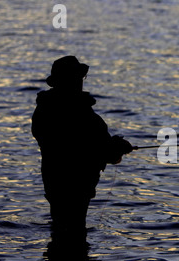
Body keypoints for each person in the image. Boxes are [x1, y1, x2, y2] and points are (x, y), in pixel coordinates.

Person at [32, 56, 134, 233]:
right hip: (75, 185)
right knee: (73, 232)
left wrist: (112, 145)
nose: (80, 82)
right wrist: (115, 146)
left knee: (62, 230)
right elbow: (84, 146)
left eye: (81, 77)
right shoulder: (77, 110)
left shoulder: (46, 107)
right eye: (76, 77)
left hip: (55, 181)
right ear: (68, 79)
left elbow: (88, 144)